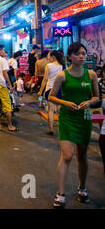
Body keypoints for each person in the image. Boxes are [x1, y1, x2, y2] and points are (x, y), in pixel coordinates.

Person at [48, 42, 99, 208]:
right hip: (67, 119)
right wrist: (65, 103)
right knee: (68, 155)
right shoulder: (62, 76)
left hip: (84, 118)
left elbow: (97, 97)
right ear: (69, 57)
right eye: (78, 54)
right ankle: (60, 193)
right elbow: (51, 97)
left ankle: (82, 188)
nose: (82, 56)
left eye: (84, 53)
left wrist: (89, 102)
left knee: (82, 155)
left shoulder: (91, 75)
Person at [38, 50, 64, 135]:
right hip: (60, 90)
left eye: (49, 56)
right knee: (60, 110)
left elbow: (45, 80)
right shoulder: (63, 66)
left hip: (49, 89)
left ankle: (51, 129)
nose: (48, 58)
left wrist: (40, 91)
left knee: (51, 110)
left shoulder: (48, 65)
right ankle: (62, 129)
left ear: (53, 57)